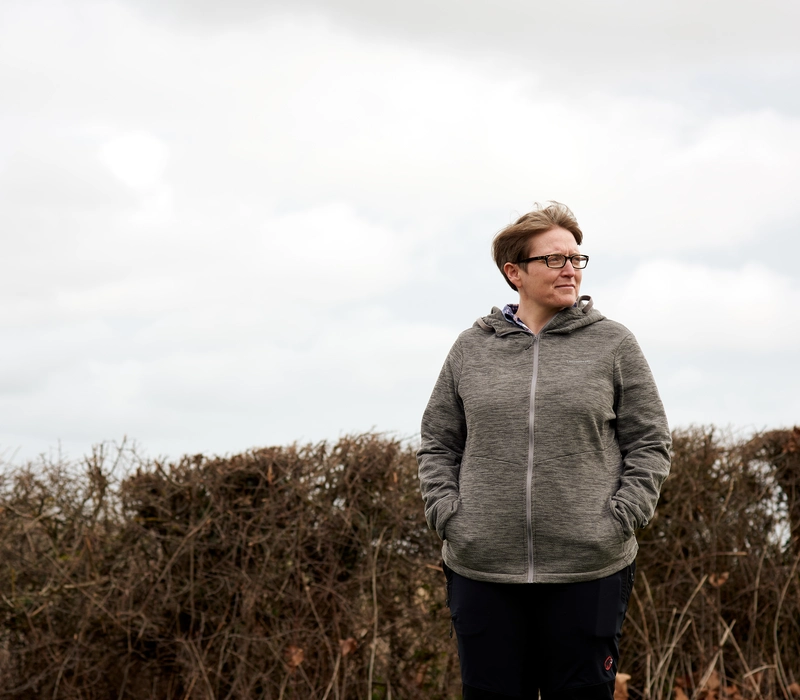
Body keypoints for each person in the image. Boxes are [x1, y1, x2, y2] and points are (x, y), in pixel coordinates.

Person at [417, 202, 671, 700]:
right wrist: (449, 515)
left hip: (589, 566)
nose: (571, 269)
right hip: (482, 566)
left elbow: (650, 440)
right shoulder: (471, 348)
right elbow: (438, 441)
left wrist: (620, 517)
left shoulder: (614, 344)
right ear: (515, 272)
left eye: (577, 258)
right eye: (555, 259)